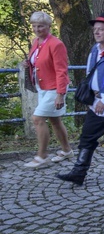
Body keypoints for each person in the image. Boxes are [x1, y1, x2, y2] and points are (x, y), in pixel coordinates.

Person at [56, 13, 104, 185]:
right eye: (95, 29)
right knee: (87, 137)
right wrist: (94, 98)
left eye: (101, 29)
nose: (96, 32)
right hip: (95, 103)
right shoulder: (94, 50)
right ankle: (79, 172)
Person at [23, 11, 72, 168]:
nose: (37, 29)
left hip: (54, 87)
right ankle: (67, 150)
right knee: (54, 120)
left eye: (41, 26)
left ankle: (41, 157)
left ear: (49, 26)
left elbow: (61, 70)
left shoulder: (56, 44)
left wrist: (60, 94)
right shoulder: (36, 42)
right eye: (34, 26)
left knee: (37, 119)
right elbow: (38, 61)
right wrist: (28, 63)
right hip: (42, 86)